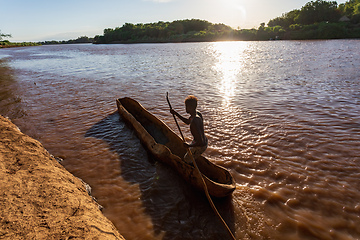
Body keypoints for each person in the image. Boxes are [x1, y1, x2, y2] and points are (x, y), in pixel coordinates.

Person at [170, 95, 208, 164]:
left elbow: (200, 142)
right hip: (202, 141)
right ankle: (194, 157)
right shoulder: (197, 114)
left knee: (186, 158)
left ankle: (191, 169)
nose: (185, 108)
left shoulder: (194, 121)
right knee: (190, 152)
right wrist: (176, 114)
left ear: (190, 107)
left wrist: (189, 145)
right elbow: (187, 122)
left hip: (201, 145)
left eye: (186, 106)